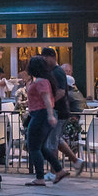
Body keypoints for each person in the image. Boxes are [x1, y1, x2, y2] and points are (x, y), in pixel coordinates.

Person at [24, 55, 68, 186]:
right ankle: (59, 170)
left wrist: (50, 115)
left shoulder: (41, 82)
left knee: (33, 146)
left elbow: (47, 99)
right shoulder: (43, 80)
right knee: (42, 147)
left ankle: (39, 177)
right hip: (41, 114)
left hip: (40, 115)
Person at [41, 48, 85, 176]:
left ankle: (54, 172)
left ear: (51, 57)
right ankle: (76, 161)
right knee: (57, 140)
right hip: (61, 110)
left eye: (45, 58)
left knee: (52, 141)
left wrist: (49, 103)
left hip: (58, 111)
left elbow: (61, 91)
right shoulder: (55, 71)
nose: (44, 61)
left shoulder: (57, 72)